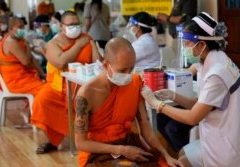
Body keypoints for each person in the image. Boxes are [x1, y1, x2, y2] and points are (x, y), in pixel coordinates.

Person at [142, 12, 240, 167]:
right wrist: (174, 96)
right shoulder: (211, 60)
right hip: (216, 135)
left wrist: (158, 105)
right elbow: (201, 103)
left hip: (225, 146)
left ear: (201, 45)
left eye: (188, 44)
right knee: (182, 154)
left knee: (182, 161)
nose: (185, 48)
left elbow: (193, 117)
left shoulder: (217, 73)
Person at [74, 37, 182, 167]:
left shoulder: (134, 83)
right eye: (122, 70)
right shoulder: (86, 94)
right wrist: (121, 150)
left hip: (128, 144)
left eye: (131, 69)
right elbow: (81, 143)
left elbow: (146, 128)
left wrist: (167, 155)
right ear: (105, 65)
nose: (128, 74)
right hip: (98, 151)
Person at [31, 11, 101, 154]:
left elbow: (98, 63)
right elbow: (60, 61)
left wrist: (92, 45)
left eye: (77, 24)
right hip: (58, 85)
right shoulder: (53, 43)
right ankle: (53, 141)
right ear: (62, 27)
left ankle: (89, 139)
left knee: (85, 101)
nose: (75, 27)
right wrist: (79, 45)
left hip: (84, 83)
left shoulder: (87, 39)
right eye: (71, 25)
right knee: (41, 101)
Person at [157, 0, 197, 67]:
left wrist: (166, 18)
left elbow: (184, 19)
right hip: (176, 38)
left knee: (184, 66)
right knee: (179, 65)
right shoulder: (178, 1)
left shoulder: (188, 1)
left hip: (183, 39)